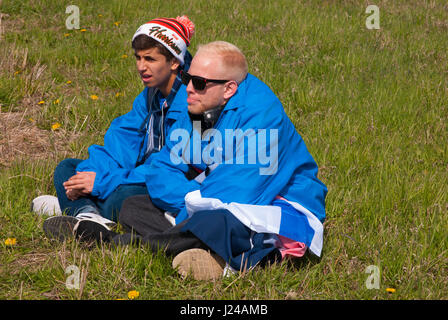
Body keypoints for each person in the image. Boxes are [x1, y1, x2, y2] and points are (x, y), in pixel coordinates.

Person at [61, 41, 328, 281]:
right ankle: (195, 246)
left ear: (229, 88)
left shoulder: (262, 117)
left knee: (216, 221)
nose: (188, 88)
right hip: (208, 197)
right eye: (188, 78)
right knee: (132, 206)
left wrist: (187, 208)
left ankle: (118, 241)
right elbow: (163, 169)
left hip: (273, 203)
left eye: (199, 83)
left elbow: (239, 194)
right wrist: (187, 204)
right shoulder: (201, 107)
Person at [37, 16, 196, 239]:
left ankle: (77, 209)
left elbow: (166, 168)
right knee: (68, 168)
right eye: (138, 58)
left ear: (174, 62)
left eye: (150, 59)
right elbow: (121, 146)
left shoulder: (191, 103)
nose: (141, 67)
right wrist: (91, 174)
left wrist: (100, 182)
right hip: (137, 173)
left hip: (167, 182)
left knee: (122, 197)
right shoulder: (150, 94)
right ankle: (86, 213)